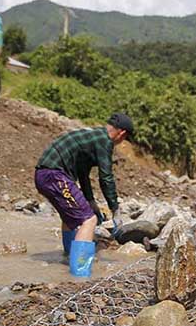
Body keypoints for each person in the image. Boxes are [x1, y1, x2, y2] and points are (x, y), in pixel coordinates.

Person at [34, 112, 133, 277]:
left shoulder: (92, 137)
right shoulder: (104, 141)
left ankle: (68, 257)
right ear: (122, 133)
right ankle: (80, 273)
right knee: (89, 220)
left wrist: (91, 202)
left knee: (70, 218)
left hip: (44, 175)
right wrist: (115, 209)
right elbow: (106, 176)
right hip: (54, 175)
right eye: (124, 139)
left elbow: (82, 173)